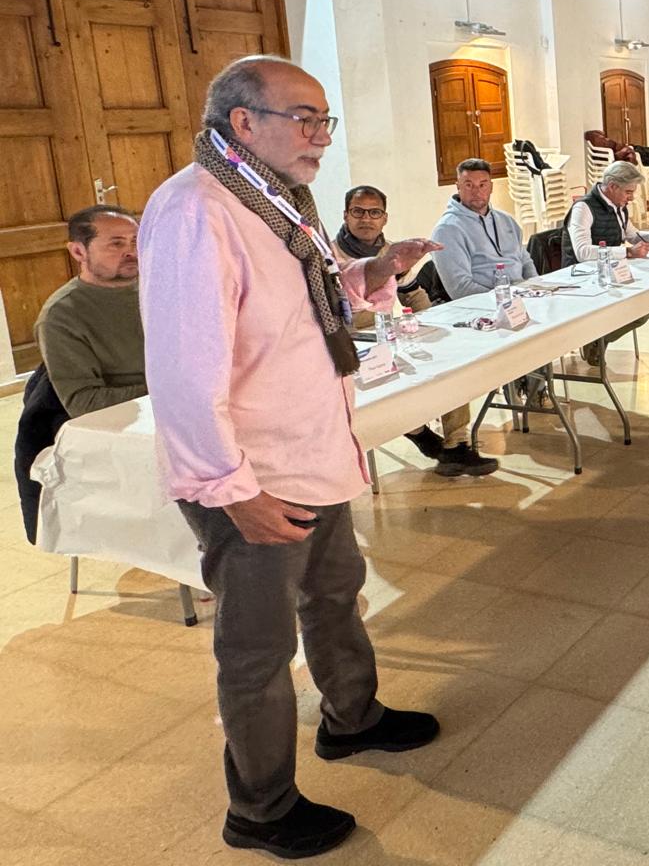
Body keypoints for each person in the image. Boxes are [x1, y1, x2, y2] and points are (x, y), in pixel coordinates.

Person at [141, 56, 441, 860]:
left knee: (336, 595)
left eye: (324, 120)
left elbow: (311, 298)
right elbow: (184, 369)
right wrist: (230, 489)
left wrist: (373, 272)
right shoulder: (198, 210)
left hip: (312, 449)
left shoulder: (275, 197)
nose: (321, 136)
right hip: (253, 475)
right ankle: (261, 808)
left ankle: (352, 718)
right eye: (303, 119)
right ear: (243, 123)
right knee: (258, 650)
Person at [335, 185, 496, 478]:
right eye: (358, 212)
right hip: (350, 344)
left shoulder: (392, 252)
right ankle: (418, 431)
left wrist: (433, 323)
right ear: (346, 215)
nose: (366, 219)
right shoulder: (330, 256)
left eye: (374, 212)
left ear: (385, 218)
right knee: (388, 382)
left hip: (389, 335)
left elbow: (412, 292)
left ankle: (457, 444)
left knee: (448, 361)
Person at [16, 206, 145, 543]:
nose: (131, 251)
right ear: (78, 251)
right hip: (119, 433)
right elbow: (86, 404)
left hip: (168, 412)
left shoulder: (157, 289)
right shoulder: (63, 315)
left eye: (135, 240)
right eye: (116, 243)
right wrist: (172, 389)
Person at [562, 160, 649, 366]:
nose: (631, 198)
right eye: (628, 192)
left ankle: (600, 338)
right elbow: (582, 252)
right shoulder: (583, 208)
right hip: (583, 275)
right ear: (612, 186)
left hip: (613, 271)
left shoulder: (619, 206)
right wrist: (627, 252)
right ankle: (596, 340)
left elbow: (633, 235)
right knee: (640, 308)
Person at [431, 157, 538, 300]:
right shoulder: (447, 230)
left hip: (522, 299)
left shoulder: (507, 220)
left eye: (482, 185)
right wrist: (507, 299)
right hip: (485, 305)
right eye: (469, 185)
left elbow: (526, 263)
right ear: (458, 187)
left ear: (491, 187)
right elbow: (460, 289)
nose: (476, 191)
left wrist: (537, 291)